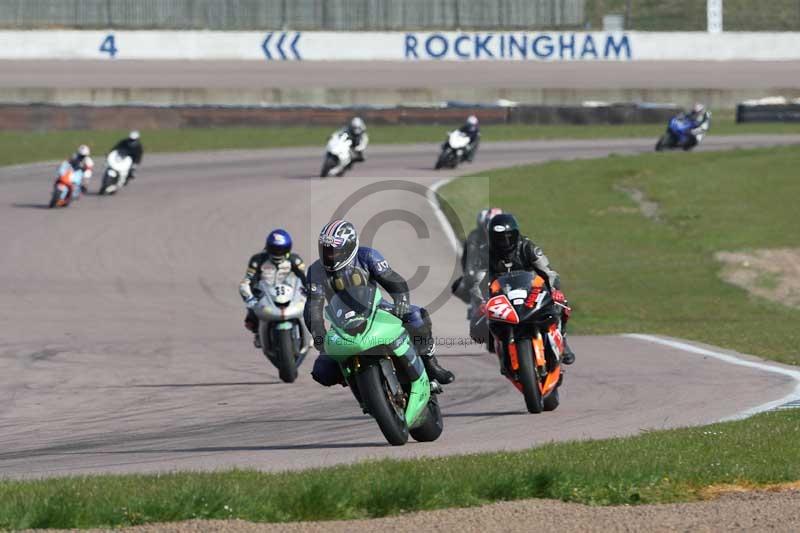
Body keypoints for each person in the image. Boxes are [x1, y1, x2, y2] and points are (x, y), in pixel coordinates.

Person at [304, 219, 455, 386]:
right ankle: (356, 381)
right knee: (322, 372)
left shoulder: (367, 256)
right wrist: (319, 336)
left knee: (416, 316)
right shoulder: (315, 271)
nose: (329, 255)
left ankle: (431, 363)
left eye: (334, 251)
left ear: (349, 247)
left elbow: (393, 280)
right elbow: (313, 308)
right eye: (325, 250)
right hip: (341, 322)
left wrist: (401, 301)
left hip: (377, 307)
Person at [476, 212, 575, 365]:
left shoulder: (528, 247)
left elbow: (549, 272)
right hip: (500, 295)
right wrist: (481, 301)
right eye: (499, 237)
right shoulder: (484, 253)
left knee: (561, 305)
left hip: (530, 290)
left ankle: (562, 339)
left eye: (509, 236)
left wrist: (555, 290)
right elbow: (478, 280)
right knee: (478, 325)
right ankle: (502, 350)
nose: (504, 241)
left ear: (516, 234)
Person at [239, 229, 307, 349]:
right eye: (274, 249)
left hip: (290, 292)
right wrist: (250, 299)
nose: (278, 252)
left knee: (311, 307)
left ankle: (311, 332)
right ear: (268, 247)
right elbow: (247, 281)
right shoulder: (257, 260)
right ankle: (258, 332)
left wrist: (312, 289)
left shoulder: (295, 260)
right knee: (250, 320)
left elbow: (305, 277)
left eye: (281, 249)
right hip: (265, 293)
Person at [451, 207, 502, 304]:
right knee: (459, 286)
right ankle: (474, 306)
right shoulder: (475, 238)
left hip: (503, 278)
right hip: (484, 276)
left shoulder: (510, 241)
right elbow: (469, 261)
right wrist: (471, 274)